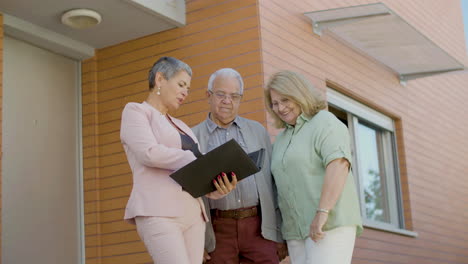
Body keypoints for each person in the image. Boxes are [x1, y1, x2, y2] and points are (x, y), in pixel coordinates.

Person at [120, 57, 238, 264]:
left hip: (193, 213)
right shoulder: (136, 111)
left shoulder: (181, 125)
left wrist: (216, 187)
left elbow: (196, 171)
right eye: (181, 84)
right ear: (160, 79)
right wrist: (192, 158)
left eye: (188, 88)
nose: (185, 92)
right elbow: (148, 152)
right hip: (158, 210)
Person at [264, 70, 363, 264]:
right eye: (275, 103)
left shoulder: (324, 123)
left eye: (285, 100)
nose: (280, 108)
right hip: (295, 232)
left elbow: (339, 165)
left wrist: (322, 212)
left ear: (299, 95)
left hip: (328, 225)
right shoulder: (282, 138)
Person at [192, 68, 287, 264]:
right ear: (208, 95)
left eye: (234, 96)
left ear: (240, 98)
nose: (227, 101)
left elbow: (274, 183)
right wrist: (197, 240)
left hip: (259, 228)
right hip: (217, 231)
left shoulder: (258, 132)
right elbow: (187, 195)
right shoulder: (193, 137)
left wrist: (279, 232)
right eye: (221, 94)